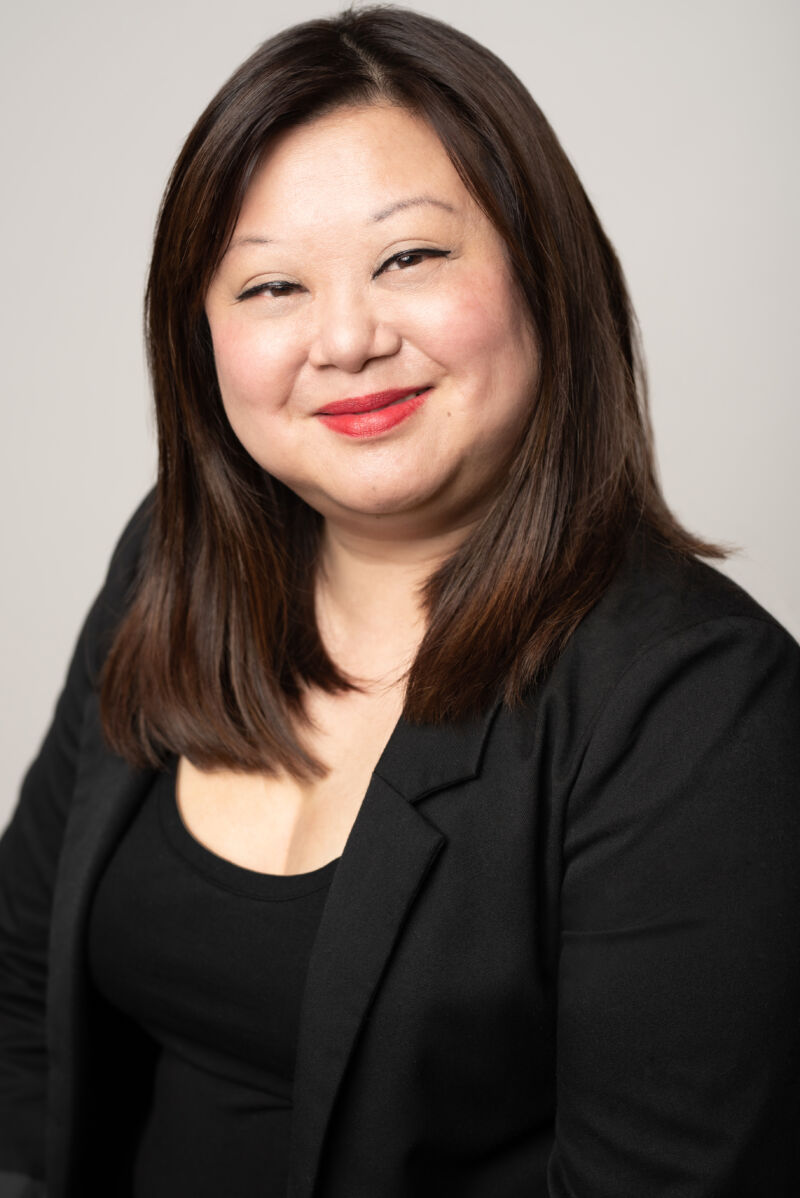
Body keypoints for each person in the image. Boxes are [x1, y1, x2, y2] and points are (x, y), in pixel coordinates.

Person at [1, 6, 799, 1196]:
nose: (346, 337)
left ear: (542, 269)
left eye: (409, 258)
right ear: (199, 339)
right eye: (270, 284)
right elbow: (23, 997)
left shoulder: (699, 709)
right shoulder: (168, 561)